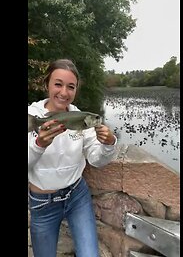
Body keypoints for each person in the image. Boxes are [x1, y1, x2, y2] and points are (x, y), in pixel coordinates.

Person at [28, 59, 118, 257]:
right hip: (43, 204)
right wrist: (39, 145)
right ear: (47, 85)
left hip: (77, 197)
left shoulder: (80, 117)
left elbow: (96, 160)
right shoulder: (32, 116)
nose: (64, 92)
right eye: (58, 84)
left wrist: (108, 144)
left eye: (71, 87)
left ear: (76, 89)